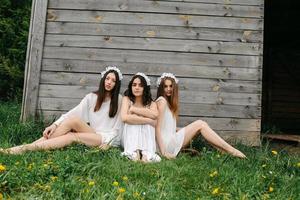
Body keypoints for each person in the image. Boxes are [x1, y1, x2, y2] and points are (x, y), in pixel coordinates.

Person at [1, 66, 123, 154]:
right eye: (107, 78)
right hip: (92, 132)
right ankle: (24, 147)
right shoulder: (92, 97)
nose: (109, 82)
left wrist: (109, 143)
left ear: (116, 84)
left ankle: (24, 149)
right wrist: (54, 124)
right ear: (103, 80)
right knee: (73, 120)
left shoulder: (119, 100)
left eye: (113, 81)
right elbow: (72, 113)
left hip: (105, 137)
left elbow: (119, 128)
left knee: (71, 136)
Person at [155, 73, 246, 159]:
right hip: (166, 145)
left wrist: (186, 130)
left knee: (200, 126)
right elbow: (158, 129)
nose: (168, 89)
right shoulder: (162, 101)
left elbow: (167, 128)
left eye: (171, 86)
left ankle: (225, 151)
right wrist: (163, 152)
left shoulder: (168, 103)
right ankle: (233, 151)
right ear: (161, 88)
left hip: (169, 141)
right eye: (165, 86)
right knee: (200, 124)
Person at [120, 72, 161, 162]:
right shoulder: (126, 99)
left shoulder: (151, 103)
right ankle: (135, 152)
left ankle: (146, 154)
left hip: (146, 137)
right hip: (129, 136)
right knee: (136, 122)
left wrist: (134, 110)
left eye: (140, 85)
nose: (137, 87)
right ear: (131, 87)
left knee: (142, 123)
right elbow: (124, 118)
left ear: (145, 88)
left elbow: (155, 115)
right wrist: (149, 120)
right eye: (134, 85)